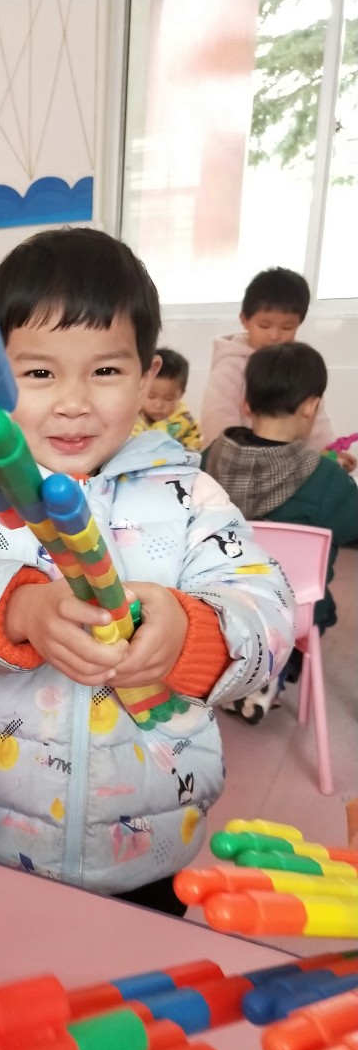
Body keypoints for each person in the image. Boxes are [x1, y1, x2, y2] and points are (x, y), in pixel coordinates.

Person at [0, 227, 294, 915]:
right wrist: (19, 610)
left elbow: (268, 609)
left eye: (105, 371)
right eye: (39, 373)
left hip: (153, 845)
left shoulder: (189, 495)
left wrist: (189, 633)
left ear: (147, 376)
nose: (73, 401)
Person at [202, 341, 358, 722]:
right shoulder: (327, 478)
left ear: (246, 403)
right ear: (311, 406)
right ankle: (276, 666)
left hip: (214, 600)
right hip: (292, 611)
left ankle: (234, 665)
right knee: (322, 609)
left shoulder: (209, 458)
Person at [199, 266, 356, 472]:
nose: (274, 336)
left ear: (299, 323)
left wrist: (329, 454)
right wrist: (231, 462)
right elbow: (217, 420)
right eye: (264, 326)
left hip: (289, 465)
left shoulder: (300, 366)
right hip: (237, 463)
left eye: (287, 327)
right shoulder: (231, 365)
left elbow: (315, 421)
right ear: (244, 320)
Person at [130, 346, 202, 449]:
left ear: (181, 395)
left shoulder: (187, 423)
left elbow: (195, 450)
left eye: (168, 398)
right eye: (151, 396)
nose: (158, 405)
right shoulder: (130, 416)